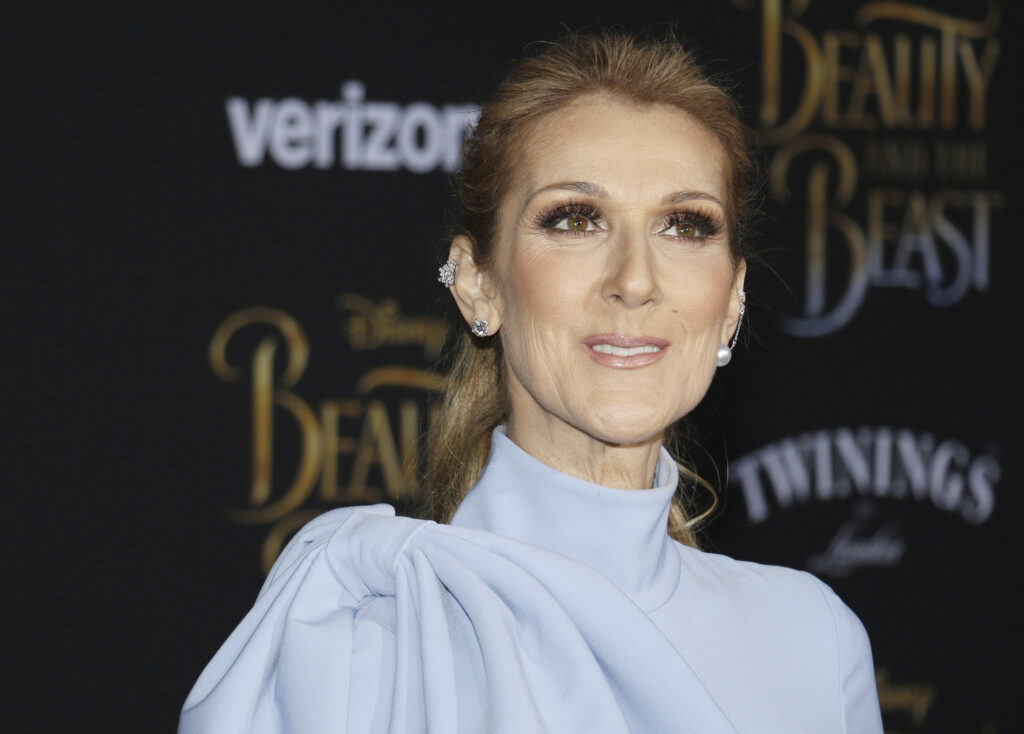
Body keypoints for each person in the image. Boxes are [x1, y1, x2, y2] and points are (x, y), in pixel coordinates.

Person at [179, 32, 883, 733]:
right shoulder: (354, 648)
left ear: (731, 298)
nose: (635, 280)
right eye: (576, 220)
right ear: (478, 284)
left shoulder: (810, 641)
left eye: (685, 226)